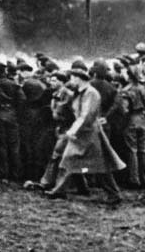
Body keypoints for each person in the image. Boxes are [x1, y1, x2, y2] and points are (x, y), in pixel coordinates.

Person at [46, 67, 124, 204]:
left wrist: (72, 130)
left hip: (89, 134)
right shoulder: (81, 93)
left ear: (78, 78)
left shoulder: (91, 93)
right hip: (82, 134)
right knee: (69, 159)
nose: (70, 81)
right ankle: (62, 190)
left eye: (72, 78)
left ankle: (113, 193)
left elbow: (86, 115)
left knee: (99, 166)